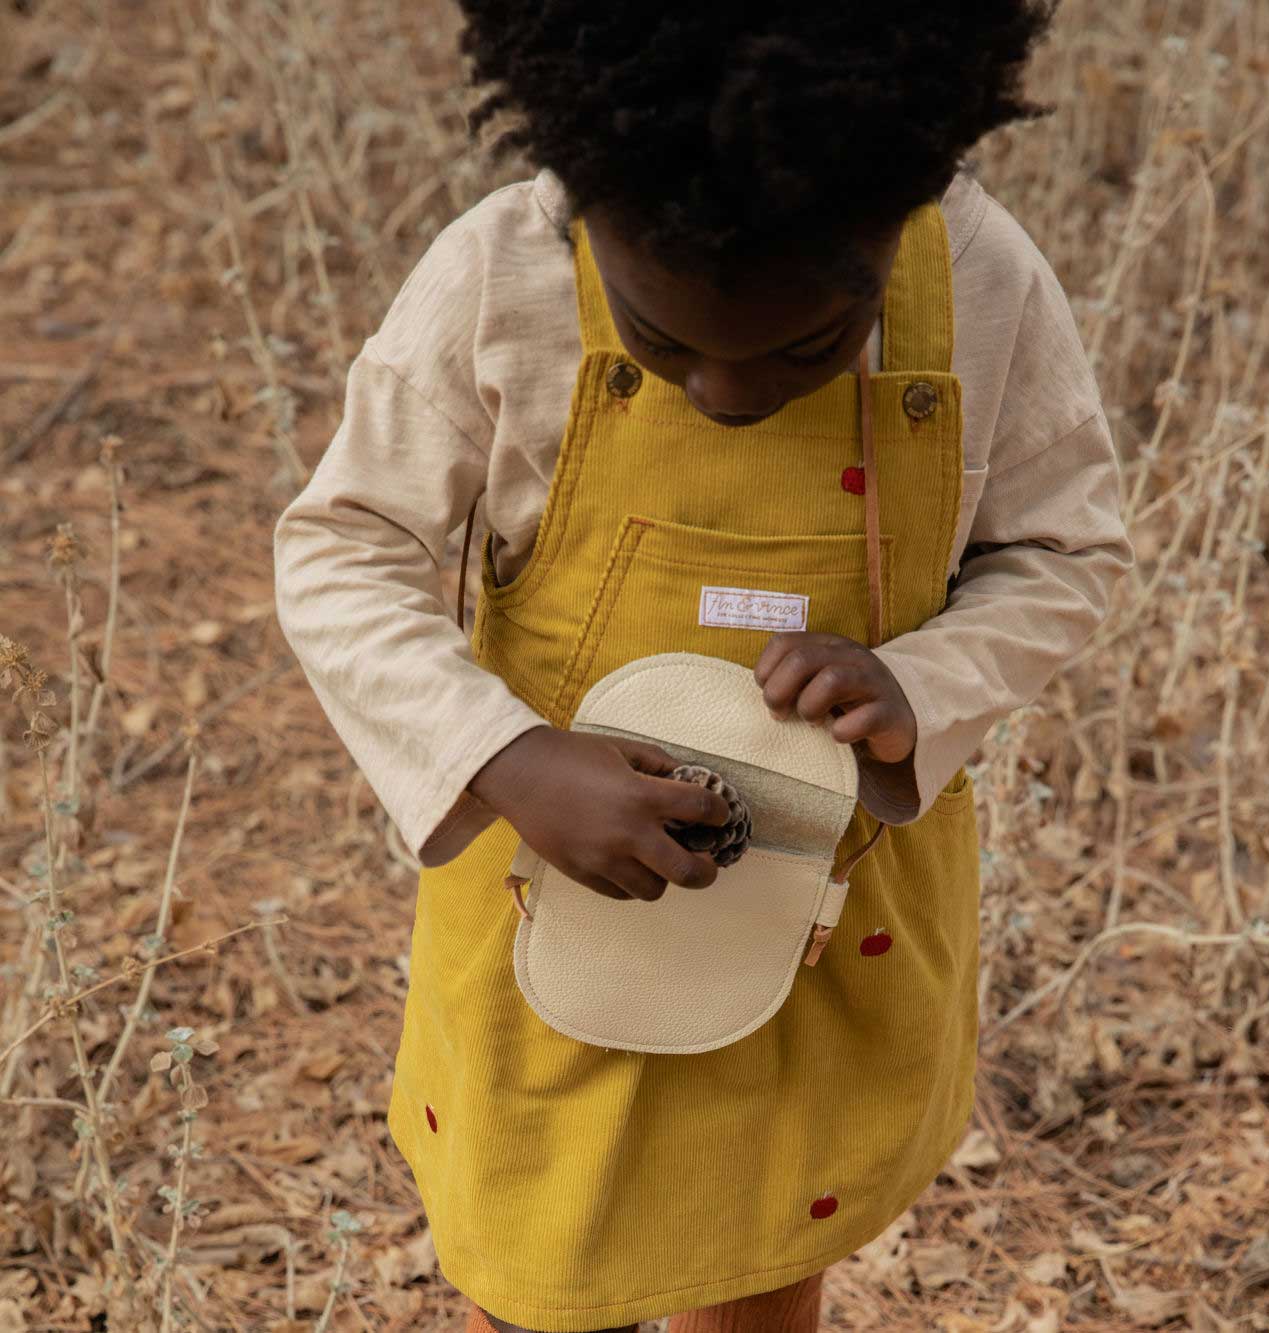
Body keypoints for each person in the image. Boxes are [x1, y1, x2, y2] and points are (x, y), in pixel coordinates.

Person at [272, 3, 1133, 1330]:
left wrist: (924, 685)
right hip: (552, 894)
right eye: (659, 341)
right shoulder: (500, 276)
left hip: (819, 915)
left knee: (758, 1227)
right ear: (585, 211)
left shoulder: (978, 279)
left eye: (801, 348)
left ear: (893, 219)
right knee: (537, 1255)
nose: (728, 394)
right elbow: (341, 552)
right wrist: (503, 756)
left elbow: (1067, 552)